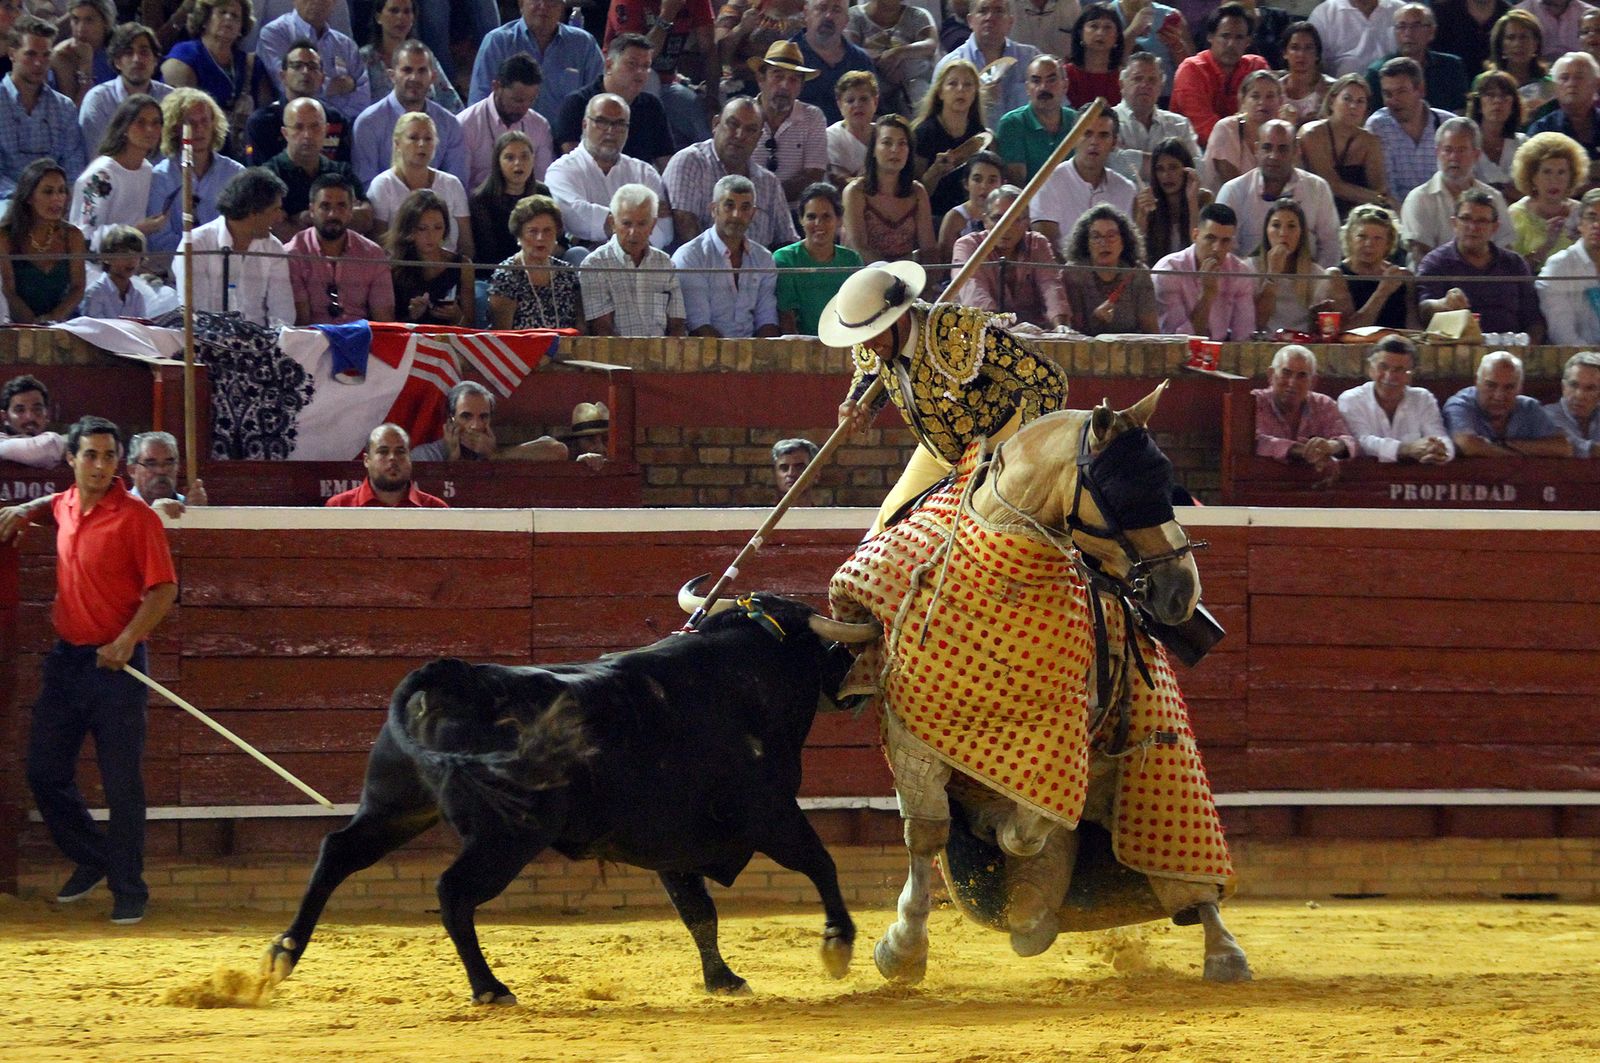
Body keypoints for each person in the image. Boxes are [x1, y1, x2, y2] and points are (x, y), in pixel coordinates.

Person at [1, 415, 177, 927]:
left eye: (108, 456)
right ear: (72, 460)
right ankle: (94, 857)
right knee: (43, 771)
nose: (100, 466)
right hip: (67, 661)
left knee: (122, 783)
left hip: (117, 666)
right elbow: (50, 503)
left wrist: (126, 640)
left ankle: (129, 888)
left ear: (118, 462)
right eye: (91, 456)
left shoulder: (138, 517)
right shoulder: (66, 504)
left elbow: (163, 589)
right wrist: (24, 507)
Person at [822, 259, 1069, 534]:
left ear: (900, 317)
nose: (867, 344)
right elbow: (870, 375)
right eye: (861, 336)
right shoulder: (875, 345)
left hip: (1001, 445)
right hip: (938, 454)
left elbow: (1048, 381)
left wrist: (1028, 455)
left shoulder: (960, 332)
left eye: (873, 334)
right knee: (882, 535)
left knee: (1007, 539)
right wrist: (858, 403)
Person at [663, 95, 797, 250]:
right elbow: (685, 229)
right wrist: (725, 269)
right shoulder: (690, 162)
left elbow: (787, 243)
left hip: (759, 272)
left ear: (759, 137)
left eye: (750, 130)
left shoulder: (769, 183)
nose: (740, 135)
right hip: (701, 270)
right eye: (733, 124)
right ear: (716, 124)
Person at [546, 92, 673, 254]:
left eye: (620, 124)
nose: (611, 131)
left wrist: (609, 225)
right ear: (585, 125)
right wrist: (638, 221)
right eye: (601, 122)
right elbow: (575, 217)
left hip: (640, 262)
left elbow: (664, 229)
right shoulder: (561, 170)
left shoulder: (644, 172)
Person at [1418, 188, 1545, 337]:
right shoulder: (1436, 262)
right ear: (1454, 223)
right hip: (1456, 350)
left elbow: (1534, 320)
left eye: (1482, 221)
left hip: (1510, 349)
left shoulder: (1514, 264)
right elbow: (1424, 311)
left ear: (1494, 228)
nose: (1473, 227)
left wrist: (1528, 351)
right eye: (1466, 219)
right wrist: (1443, 303)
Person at [175, 166, 293, 326]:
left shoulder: (273, 248)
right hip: (209, 344)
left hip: (262, 345)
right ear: (253, 211)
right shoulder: (196, 245)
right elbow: (195, 314)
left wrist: (271, 345)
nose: (280, 217)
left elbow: (282, 313)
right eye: (275, 210)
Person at [1216, 118, 1341, 263]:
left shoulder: (1318, 188)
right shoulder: (1233, 191)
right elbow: (1225, 250)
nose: (1274, 156)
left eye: (1282, 149)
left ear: (1296, 151)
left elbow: (1331, 245)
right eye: (1267, 147)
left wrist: (1315, 282)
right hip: (1248, 280)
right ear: (1256, 149)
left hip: (1307, 280)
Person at [602, 0, 721, 152]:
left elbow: (709, 49)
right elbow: (636, 58)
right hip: (622, 81)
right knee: (650, 77)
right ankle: (645, 154)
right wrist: (667, 15)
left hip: (668, 83)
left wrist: (712, 99)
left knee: (701, 119)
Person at [145, 88, 245, 264]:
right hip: (176, 273)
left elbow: (246, 228)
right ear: (175, 128)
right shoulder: (160, 178)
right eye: (190, 123)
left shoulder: (235, 174)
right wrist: (198, 259)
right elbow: (159, 240)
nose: (199, 129)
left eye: (205, 121)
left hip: (228, 268)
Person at [673, 173, 780, 337]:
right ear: (714, 210)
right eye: (729, 206)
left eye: (745, 208)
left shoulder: (763, 258)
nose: (737, 215)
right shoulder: (690, 256)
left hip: (753, 354)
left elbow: (767, 320)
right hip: (705, 354)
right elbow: (699, 326)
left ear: (753, 213)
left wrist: (759, 357)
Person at [469, 0, 604, 127]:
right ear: (521, 3)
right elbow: (480, 100)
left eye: (551, 0)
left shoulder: (584, 44)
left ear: (562, 7)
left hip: (566, 142)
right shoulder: (498, 42)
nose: (543, 5)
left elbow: (599, 98)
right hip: (508, 139)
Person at [953, 183, 1070, 328]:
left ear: (1027, 222)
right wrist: (1003, 329)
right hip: (980, 335)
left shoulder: (1038, 243)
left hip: (1032, 335)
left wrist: (1061, 325)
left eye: (1015, 219)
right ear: (985, 221)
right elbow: (974, 291)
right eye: (997, 218)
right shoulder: (967, 245)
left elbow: (1050, 285)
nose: (1006, 227)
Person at [350, 40, 466, 186]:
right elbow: (365, 185)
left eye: (422, 71)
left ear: (433, 77)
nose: (414, 78)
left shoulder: (449, 124)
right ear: (391, 76)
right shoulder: (368, 123)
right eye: (407, 70)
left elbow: (456, 185)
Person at [579, 182, 687, 337]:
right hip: (615, 358)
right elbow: (602, 330)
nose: (633, 232)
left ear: (652, 225)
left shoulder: (665, 263)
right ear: (612, 223)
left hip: (663, 356)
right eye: (626, 223)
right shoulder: (594, 265)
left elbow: (677, 325)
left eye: (642, 224)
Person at [1401, 117, 1516, 262]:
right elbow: (1421, 256)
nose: (1454, 157)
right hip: (1436, 280)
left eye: (1462, 150)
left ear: (1476, 155)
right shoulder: (1419, 198)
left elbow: (1505, 249)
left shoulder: (1493, 197)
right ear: (1437, 152)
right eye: (1448, 150)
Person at [551, 32, 673, 168]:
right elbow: (572, 161)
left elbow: (666, 162)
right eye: (632, 64)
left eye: (645, 66)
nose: (640, 72)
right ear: (609, 65)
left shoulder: (652, 106)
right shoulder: (577, 103)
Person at [1, 16, 88, 199]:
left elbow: (74, 166)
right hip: (7, 201)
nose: (39, 63)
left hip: (55, 201)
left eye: (46, 55)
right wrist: (29, 200)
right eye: (31, 54)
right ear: (12, 54)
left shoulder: (63, 107)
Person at [288, 172, 393, 324]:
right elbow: (299, 323)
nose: (333, 214)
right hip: (310, 341)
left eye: (341, 206)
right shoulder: (293, 254)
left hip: (360, 340)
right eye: (325, 206)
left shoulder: (373, 254)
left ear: (351, 210)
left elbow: (384, 320)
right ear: (311, 210)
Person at [366, 111, 471, 256]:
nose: (422, 144)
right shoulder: (383, 185)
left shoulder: (451, 184)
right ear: (397, 144)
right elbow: (378, 244)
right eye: (413, 138)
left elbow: (466, 243)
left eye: (428, 139)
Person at [70, 94, 166, 252]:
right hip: (96, 268)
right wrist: (136, 231)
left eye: (155, 123)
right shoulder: (101, 175)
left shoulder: (146, 169)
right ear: (125, 128)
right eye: (140, 123)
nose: (150, 130)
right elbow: (85, 236)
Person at [159, 0, 268, 140]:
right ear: (204, 19)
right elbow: (178, 114)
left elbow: (265, 112)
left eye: (235, 16)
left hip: (243, 150)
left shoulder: (251, 63)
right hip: (195, 141)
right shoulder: (185, 55)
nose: (228, 18)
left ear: (241, 28)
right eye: (222, 12)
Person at [261, 96, 367, 239]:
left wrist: (305, 218)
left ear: (326, 130)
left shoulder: (341, 172)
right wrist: (339, 217)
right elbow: (274, 228)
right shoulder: (267, 176)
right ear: (285, 133)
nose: (307, 135)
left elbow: (365, 217)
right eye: (298, 127)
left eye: (315, 126)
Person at [1032, 109, 1136, 253]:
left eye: (1103, 135)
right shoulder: (1047, 181)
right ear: (1073, 138)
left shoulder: (1126, 189)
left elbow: (1128, 248)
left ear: (1114, 143)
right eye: (1087, 133)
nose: (1094, 142)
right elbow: (1046, 248)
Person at [1336, 336, 1452, 463]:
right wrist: (1408, 449)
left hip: (1416, 477)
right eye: (1383, 367)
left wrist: (1438, 452)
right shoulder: (1351, 399)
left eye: (1399, 370)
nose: (1390, 376)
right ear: (1371, 369)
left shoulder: (1423, 398)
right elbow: (1360, 442)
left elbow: (1441, 438)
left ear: (1411, 375)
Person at [0, 159, 88, 324]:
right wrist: (34, 325)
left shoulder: (73, 236)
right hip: (15, 324)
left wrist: (52, 320)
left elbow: (78, 288)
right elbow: (8, 291)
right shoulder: (5, 237)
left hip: (62, 323)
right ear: (29, 197)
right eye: (48, 192)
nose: (57, 199)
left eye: (62, 191)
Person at [1169, 3, 1269, 146]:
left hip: (1248, 147)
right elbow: (1205, 131)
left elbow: (1269, 117)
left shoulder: (1256, 66)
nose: (1231, 44)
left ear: (1248, 42)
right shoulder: (1191, 70)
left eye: (1239, 37)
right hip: (1195, 154)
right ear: (1210, 37)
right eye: (1225, 36)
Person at [1153, 201, 1255, 339]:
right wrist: (1207, 296)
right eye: (1210, 238)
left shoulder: (1240, 272)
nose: (1217, 248)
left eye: (1225, 241)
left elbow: (1244, 335)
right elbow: (1176, 340)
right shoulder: (1168, 271)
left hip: (1223, 354)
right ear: (1195, 235)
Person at [1253, 345, 1359, 476]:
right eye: (1286, 373)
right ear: (1271, 375)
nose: (1292, 382)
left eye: (1302, 376)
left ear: (1313, 381)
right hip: (1264, 482)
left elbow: (1348, 441)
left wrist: (1330, 446)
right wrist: (1305, 451)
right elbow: (1257, 441)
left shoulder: (1324, 404)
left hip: (1314, 487)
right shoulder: (1254, 402)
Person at [242, 40, 354, 165]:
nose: (305, 71)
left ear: (322, 78)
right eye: (297, 66)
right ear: (283, 76)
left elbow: (344, 170)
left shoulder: (335, 120)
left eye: (312, 67)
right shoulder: (262, 122)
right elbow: (257, 174)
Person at [843, 114, 936, 263]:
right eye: (887, 143)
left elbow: (929, 250)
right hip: (866, 276)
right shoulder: (855, 192)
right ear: (873, 149)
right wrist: (891, 276)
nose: (895, 150)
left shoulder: (917, 192)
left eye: (902, 143)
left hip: (909, 276)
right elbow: (858, 248)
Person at [934, 0, 1041, 129]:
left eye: (999, 11)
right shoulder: (949, 66)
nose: (990, 17)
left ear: (1010, 22)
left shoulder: (1031, 59)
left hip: (1026, 143)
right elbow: (937, 120)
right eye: (983, 11)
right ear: (970, 20)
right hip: (972, 144)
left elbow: (1057, 107)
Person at [1365, 57, 1458, 206]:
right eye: (1387, 94)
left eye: (1401, 92)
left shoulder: (1449, 125)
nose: (1394, 100)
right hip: (1398, 216)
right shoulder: (1378, 127)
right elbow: (1385, 190)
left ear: (1420, 90)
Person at [1298, 73, 1393, 218]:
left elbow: (1379, 188)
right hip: (1316, 211)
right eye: (1347, 99)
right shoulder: (1312, 134)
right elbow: (1331, 185)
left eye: (1360, 101)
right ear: (1331, 101)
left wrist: (1381, 200)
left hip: (1360, 217)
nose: (1353, 106)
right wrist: (1380, 200)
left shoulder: (1370, 141)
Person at [457, 53, 552, 197]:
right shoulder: (466, 124)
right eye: (518, 100)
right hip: (480, 209)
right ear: (496, 87)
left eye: (530, 101)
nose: (524, 108)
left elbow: (542, 181)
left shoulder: (539, 125)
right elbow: (459, 186)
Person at [1443, 350, 1571, 455]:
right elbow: (1467, 444)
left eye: (1509, 387)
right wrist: (1518, 456)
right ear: (1477, 382)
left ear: (1520, 388)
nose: (1499, 396)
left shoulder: (1529, 407)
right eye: (1491, 385)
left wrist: (1503, 445)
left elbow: (1563, 448)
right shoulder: (1460, 404)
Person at [749, 40, 828, 211]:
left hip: (794, 212)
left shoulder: (813, 117)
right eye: (778, 76)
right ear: (761, 78)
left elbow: (813, 176)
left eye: (794, 79)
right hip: (746, 210)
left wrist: (767, 200)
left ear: (801, 86)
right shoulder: (743, 115)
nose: (785, 86)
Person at [256, 0, 370, 117]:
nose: (316, 2)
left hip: (342, 126)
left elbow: (363, 95)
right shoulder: (275, 33)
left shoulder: (345, 45)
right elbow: (286, 84)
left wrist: (338, 119)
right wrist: (338, 86)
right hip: (292, 123)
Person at [775, 180, 861, 334]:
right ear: (800, 219)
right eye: (811, 217)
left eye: (826, 216)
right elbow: (787, 318)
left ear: (839, 220)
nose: (818, 223)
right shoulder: (785, 259)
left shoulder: (851, 260)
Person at [79, 23, 173, 164]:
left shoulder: (170, 99)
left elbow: (174, 155)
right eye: (129, 53)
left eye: (144, 52)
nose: (137, 59)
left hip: (163, 183)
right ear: (117, 62)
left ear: (155, 60)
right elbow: (97, 159)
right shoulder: (98, 101)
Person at [410, 381, 569, 462]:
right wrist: (453, 458)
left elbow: (558, 450)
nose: (476, 425)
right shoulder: (425, 455)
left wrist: (496, 455)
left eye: (483, 417)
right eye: (466, 416)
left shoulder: (490, 451)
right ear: (451, 418)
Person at [487, 193, 582, 330]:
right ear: (519, 235)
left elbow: (581, 327)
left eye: (547, 230)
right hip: (518, 350)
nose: (540, 238)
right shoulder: (506, 276)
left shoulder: (567, 273)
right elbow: (502, 335)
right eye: (532, 231)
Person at [911, 58, 988, 222]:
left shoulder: (980, 135)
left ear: (975, 92)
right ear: (940, 92)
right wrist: (936, 172)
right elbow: (915, 194)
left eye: (968, 85)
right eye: (953, 84)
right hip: (931, 216)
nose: (961, 90)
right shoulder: (924, 133)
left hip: (970, 217)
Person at [1063, 202, 1158, 334]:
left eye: (1111, 236)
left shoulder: (1138, 273)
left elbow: (1151, 332)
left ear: (1123, 241)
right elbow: (1069, 331)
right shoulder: (1074, 273)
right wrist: (1095, 318)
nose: (1104, 243)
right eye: (1096, 237)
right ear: (1086, 243)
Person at [1319, 203, 1417, 329]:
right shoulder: (1336, 276)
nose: (1369, 244)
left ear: (1388, 243)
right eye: (1362, 236)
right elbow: (1349, 329)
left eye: (1378, 238)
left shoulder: (1403, 276)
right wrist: (1382, 292)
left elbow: (1413, 325)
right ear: (1349, 238)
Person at [1361, 4, 1470, 113]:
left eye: (1416, 26)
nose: (1408, 33)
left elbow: (1460, 112)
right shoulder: (1377, 72)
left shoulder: (1451, 66)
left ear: (1432, 32)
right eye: (1402, 27)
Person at [1111, 50, 1199, 186]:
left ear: (1161, 86)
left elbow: (1196, 167)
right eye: (1138, 78)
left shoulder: (1180, 124)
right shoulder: (1107, 122)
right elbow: (1113, 163)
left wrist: (1131, 156)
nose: (1145, 85)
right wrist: (1175, 163)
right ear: (1122, 84)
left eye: (1152, 80)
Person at [360, 0, 463, 115]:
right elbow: (357, 106)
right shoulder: (365, 59)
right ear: (378, 17)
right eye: (394, 11)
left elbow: (452, 103)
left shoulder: (424, 55)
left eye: (407, 12)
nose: (401, 17)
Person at [388, 187, 473, 326]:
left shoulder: (462, 265)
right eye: (422, 228)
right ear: (409, 229)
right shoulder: (394, 268)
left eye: (438, 227)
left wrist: (457, 316)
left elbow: (471, 326)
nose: (431, 236)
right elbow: (386, 325)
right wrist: (413, 317)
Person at [469, 131, 552, 273]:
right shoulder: (481, 199)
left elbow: (558, 241)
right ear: (498, 162)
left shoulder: (542, 193)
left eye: (524, 156)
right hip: (495, 273)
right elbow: (487, 253)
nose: (518, 163)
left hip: (539, 267)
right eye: (509, 158)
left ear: (533, 159)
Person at [1508, 130, 1589, 270]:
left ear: (1572, 177)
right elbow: (1512, 272)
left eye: (1561, 172)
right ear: (1532, 176)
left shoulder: (1582, 213)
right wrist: (1547, 245)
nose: (1554, 180)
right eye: (1547, 172)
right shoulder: (1516, 214)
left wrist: (1583, 243)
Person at [994, 55, 1079, 186]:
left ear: (1065, 85)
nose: (1043, 87)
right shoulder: (1012, 124)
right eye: (1036, 81)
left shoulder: (1078, 122)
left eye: (1051, 80)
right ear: (1027, 88)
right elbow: (1017, 185)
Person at [790, 0, 875, 125]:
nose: (829, 16)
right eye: (821, 8)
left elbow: (873, 110)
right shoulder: (787, 57)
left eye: (836, 10)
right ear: (806, 13)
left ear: (846, 20)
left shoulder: (861, 60)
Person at [844, 0, 935, 116]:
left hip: (909, 85)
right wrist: (885, 61)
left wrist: (898, 54)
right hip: (871, 80)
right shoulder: (854, 15)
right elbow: (850, 48)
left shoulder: (918, 15)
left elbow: (930, 44)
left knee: (918, 72)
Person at [324, 422, 448, 506]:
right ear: (367, 460)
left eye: (400, 452)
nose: (392, 458)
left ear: (410, 458)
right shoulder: (339, 506)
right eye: (383, 452)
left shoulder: (435, 509)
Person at [1200, 69, 1284, 191]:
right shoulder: (1226, 128)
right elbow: (1234, 187)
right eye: (1255, 96)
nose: (1262, 102)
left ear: (1280, 102)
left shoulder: (1282, 132)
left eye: (1270, 96)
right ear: (1243, 100)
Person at [1252, 199, 1328, 332]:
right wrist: (1272, 274)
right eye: (1276, 225)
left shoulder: (1316, 273)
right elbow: (1256, 323)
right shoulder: (1250, 268)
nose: (1283, 233)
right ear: (1266, 231)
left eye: (1291, 226)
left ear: (1301, 233)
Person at [1537, 186, 1600, 342]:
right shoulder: (1559, 266)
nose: (1597, 225)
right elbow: (1564, 336)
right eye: (1592, 217)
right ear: (1580, 223)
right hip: (1578, 360)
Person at [1136, 135, 1209, 262]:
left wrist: (1192, 201)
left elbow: (1200, 250)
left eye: (1173, 167)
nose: (1166, 175)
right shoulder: (1146, 201)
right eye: (1160, 169)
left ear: (1187, 169)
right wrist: (1143, 216)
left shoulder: (1204, 198)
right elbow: (1136, 254)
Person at [715, 0, 807, 100]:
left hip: (797, 86)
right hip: (745, 86)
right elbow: (717, 54)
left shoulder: (811, 8)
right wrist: (741, 29)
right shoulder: (741, 4)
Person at [1526, 50, 1600, 164]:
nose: (1571, 83)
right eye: (1564, 78)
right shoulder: (1542, 130)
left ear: (1596, 84)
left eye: (1579, 77)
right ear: (1555, 87)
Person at [936, 149, 1003, 268]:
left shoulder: (1010, 214)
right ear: (966, 183)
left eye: (992, 180)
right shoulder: (954, 218)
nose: (984, 186)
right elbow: (945, 266)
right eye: (977, 179)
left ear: (1002, 184)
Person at [1468, 70, 1528, 198]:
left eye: (1505, 96)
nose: (1497, 101)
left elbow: (1533, 191)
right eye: (1490, 95)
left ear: (1513, 105)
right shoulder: (1466, 143)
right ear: (1479, 104)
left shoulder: (1523, 144)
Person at [1307, 0, 1401, 78]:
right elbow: (1310, 64)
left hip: (1395, 94)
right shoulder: (1324, 13)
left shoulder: (1400, 10)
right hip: (1340, 93)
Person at [49, 0, 116, 109]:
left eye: (89, 20)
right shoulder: (62, 55)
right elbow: (73, 114)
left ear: (105, 22)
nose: (80, 29)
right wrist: (85, 66)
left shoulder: (120, 50)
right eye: (75, 19)